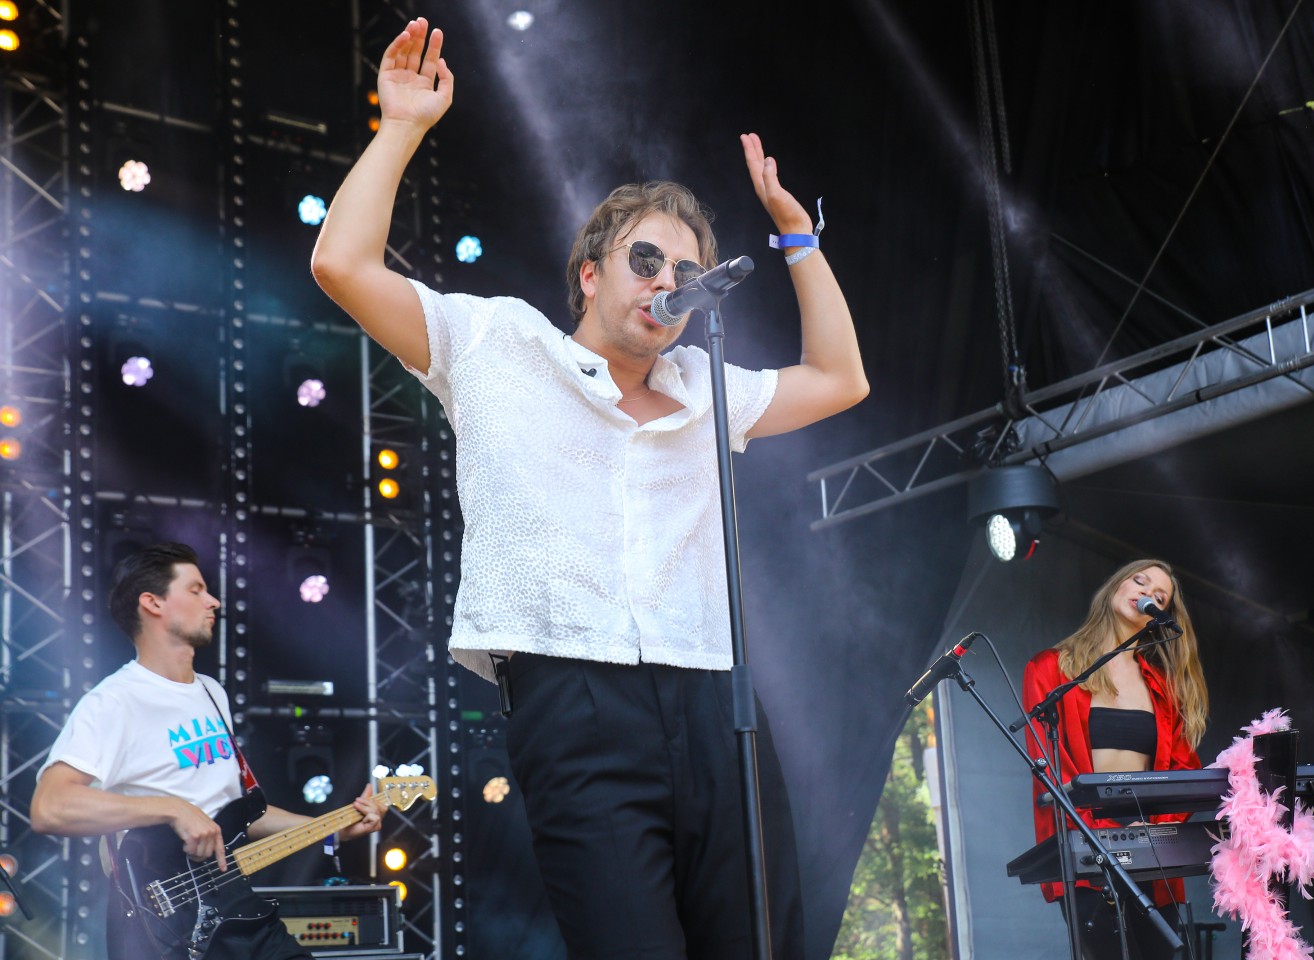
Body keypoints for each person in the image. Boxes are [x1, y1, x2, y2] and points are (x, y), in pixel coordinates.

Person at [309, 17, 867, 960]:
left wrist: (797, 236)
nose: (665, 282)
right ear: (590, 273)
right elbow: (341, 266)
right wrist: (400, 126)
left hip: (715, 694)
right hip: (572, 696)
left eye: (685, 271)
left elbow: (841, 378)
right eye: (645, 260)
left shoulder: (706, 387)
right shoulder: (497, 344)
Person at [30, 543, 386, 960]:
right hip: (167, 927)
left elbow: (237, 812)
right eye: (196, 590)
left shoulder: (212, 693)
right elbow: (49, 807)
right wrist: (172, 809)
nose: (213, 601)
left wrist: (329, 828)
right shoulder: (114, 701)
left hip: (237, 905)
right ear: (153, 603)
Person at [1020, 558, 1209, 960]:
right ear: (1116, 586)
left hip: (1151, 844)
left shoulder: (1162, 688)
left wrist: (1155, 827)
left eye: (1159, 597)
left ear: (1157, 617)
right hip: (1086, 838)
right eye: (1140, 581)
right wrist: (1106, 833)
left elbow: (1184, 768)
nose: (1147, 594)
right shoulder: (1051, 669)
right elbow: (1050, 769)